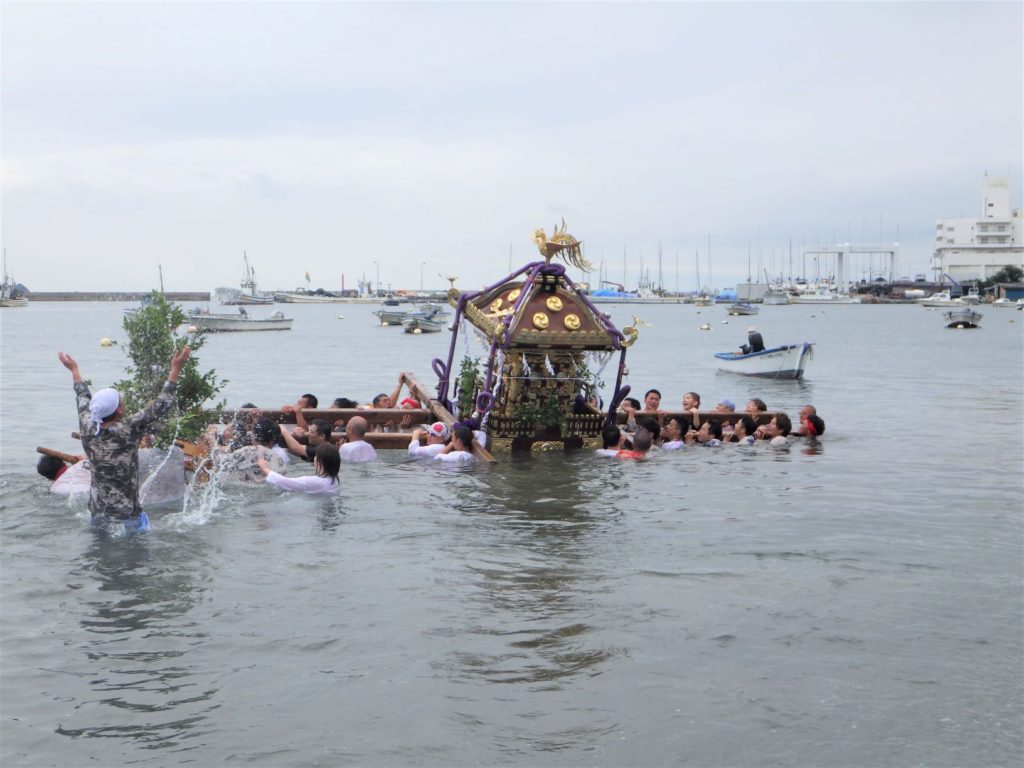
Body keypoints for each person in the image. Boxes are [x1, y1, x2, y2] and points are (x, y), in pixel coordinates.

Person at [58, 345, 190, 529]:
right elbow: (162, 403)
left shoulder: (88, 427)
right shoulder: (129, 429)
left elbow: (82, 398)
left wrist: (74, 370)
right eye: (121, 399)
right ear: (119, 409)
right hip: (127, 518)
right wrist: (176, 368)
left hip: (98, 517)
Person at [257, 442, 340, 496]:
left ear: (319, 461)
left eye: (316, 456)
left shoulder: (313, 482)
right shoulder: (335, 481)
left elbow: (283, 482)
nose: (314, 458)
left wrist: (265, 468)